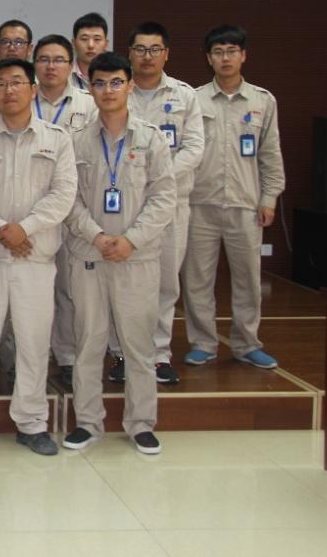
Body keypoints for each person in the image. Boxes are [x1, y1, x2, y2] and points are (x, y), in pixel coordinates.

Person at [0, 59, 76, 457]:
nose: (9, 90)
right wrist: (2, 228)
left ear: (33, 90)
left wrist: (27, 228)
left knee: (34, 344)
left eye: (17, 82)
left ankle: (32, 422)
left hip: (34, 258)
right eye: (1, 83)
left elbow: (63, 193)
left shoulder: (57, 139)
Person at [62, 52, 175, 455]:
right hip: (89, 255)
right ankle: (87, 423)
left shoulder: (151, 138)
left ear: (130, 85)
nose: (107, 90)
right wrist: (96, 236)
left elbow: (164, 197)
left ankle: (141, 424)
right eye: (99, 83)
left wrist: (131, 239)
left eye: (115, 82)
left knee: (138, 346)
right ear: (89, 88)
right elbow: (68, 199)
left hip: (135, 258)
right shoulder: (75, 140)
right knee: (88, 342)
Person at [184, 25, 285, 371]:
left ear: (243, 55)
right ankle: (202, 343)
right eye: (218, 52)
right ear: (208, 58)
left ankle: (247, 343)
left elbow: (270, 153)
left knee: (248, 280)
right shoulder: (194, 100)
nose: (225, 58)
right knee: (197, 280)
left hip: (246, 206)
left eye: (231, 51)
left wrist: (269, 197)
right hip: (199, 205)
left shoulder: (262, 101)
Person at [111, 21, 204, 386]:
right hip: (123, 204)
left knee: (165, 282)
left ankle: (159, 354)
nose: (146, 56)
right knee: (121, 281)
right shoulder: (119, 90)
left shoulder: (185, 96)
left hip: (170, 205)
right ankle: (121, 353)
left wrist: (159, 178)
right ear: (129, 53)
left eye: (154, 49)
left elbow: (194, 148)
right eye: (140, 49)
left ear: (166, 53)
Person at [33, 34, 97, 383]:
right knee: (32, 290)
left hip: (73, 209)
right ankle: (31, 356)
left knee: (70, 288)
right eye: (44, 59)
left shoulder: (89, 104)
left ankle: (69, 355)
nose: (51, 66)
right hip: (30, 211)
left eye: (58, 59)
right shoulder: (20, 100)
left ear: (71, 65)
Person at [70, 13, 109, 92]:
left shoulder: (116, 76)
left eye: (97, 39)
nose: (91, 45)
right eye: (84, 39)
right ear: (73, 44)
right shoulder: (63, 76)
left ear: (106, 44)